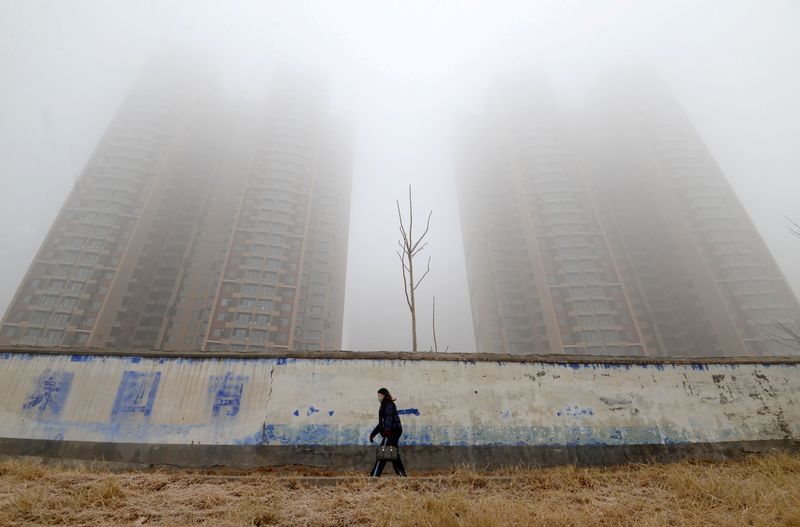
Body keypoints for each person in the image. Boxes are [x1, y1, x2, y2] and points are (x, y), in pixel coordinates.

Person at [369, 387, 407, 477]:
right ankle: (402, 476)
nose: (378, 397)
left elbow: (389, 418)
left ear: (383, 395)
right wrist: (373, 434)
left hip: (392, 431)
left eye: (379, 395)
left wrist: (387, 430)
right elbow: (381, 423)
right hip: (393, 430)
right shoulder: (384, 404)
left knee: (383, 453)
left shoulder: (387, 403)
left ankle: (374, 476)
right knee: (394, 454)